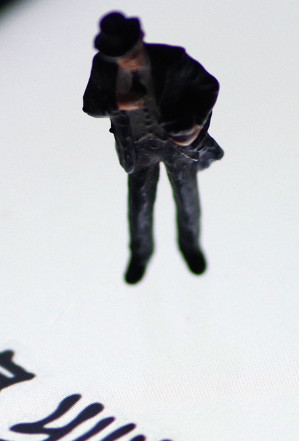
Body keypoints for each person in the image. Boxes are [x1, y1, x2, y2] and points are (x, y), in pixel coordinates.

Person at [83, 12, 223, 284]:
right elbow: (90, 105)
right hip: (136, 148)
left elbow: (208, 87)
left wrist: (195, 125)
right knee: (140, 204)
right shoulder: (103, 67)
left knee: (187, 197)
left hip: (176, 144)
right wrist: (117, 104)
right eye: (122, 56)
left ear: (141, 40)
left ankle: (191, 246)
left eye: (133, 51)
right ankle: (140, 254)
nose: (130, 60)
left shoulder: (172, 59)